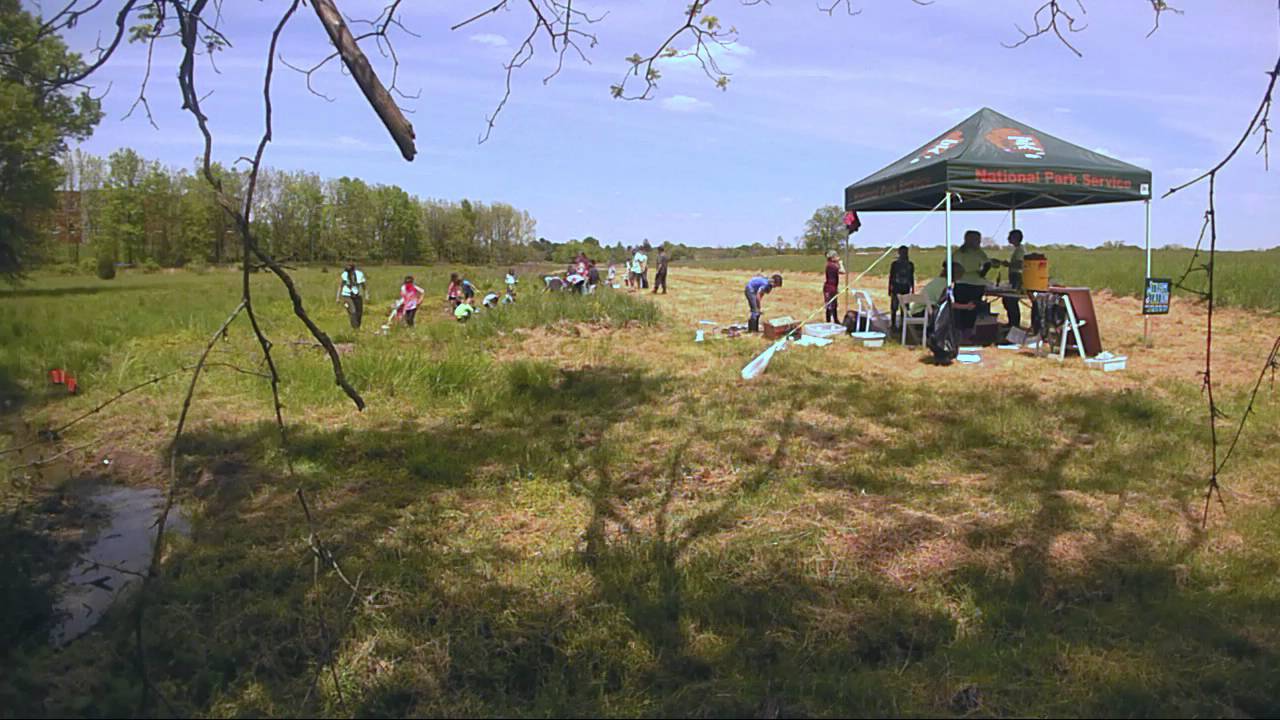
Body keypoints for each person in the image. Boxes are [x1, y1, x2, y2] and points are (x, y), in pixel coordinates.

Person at [952, 230, 991, 334]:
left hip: (961, 283)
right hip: (975, 284)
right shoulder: (978, 252)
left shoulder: (959, 252)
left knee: (961, 308)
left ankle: (961, 331)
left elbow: (952, 265)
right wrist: (982, 273)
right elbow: (987, 264)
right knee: (972, 309)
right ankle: (968, 331)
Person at [992, 229, 1026, 329]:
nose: (1008, 239)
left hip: (1017, 277)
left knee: (1011, 300)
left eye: (1010, 237)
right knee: (1008, 300)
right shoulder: (1017, 249)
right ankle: (1012, 322)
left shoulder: (1020, 250)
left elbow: (1020, 264)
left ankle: (1014, 324)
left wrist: (1007, 264)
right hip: (1014, 276)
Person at [888, 246, 915, 331]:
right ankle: (893, 324)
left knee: (904, 308)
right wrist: (889, 288)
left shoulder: (910, 265)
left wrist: (913, 288)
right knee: (894, 307)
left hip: (905, 288)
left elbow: (911, 277)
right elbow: (891, 277)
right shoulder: (895, 264)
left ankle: (902, 325)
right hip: (896, 288)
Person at [336, 262, 367, 329]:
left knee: (359, 313)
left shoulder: (359, 274)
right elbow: (340, 286)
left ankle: (357, 327)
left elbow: (364, 286)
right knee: (353, 312)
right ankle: (355, 329)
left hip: (357, 295)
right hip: (347, 295)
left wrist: (367, 295)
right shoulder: (344, 275)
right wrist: (338, 297)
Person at [823, 250, 842, 323]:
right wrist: (840, 263)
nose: (838, 257)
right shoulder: (831, 265)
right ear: (832, 258)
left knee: (834, 305)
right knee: (829, 306)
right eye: (836, 256)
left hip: (833, 287)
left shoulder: (831, 264)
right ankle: (829, 321)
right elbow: (842, 271)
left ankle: (835, 320)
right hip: (829, 288)